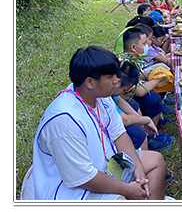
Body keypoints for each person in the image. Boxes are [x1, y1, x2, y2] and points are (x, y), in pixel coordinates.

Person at [27, 46, 166, 200]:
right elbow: (85, 177)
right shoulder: (64, 121)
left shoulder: (102, 97)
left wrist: (138, 168)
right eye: (110, 77)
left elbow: (119, 133)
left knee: (156, 161)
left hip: (105, 167)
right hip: (74, 189)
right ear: (90, 82)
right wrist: (126, 190)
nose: (117, 80)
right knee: (122, 202)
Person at [112, 61, 173, 152]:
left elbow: (120, 101)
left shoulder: (113, 90)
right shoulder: (104, 95)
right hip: (110, 128)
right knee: (136, 131)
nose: (122, 93)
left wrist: (141, 121)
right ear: (116, 82)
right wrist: (145, 120)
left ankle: (151, 136)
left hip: (122, 116)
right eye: (124, 90)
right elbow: (125, 120)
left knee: (135, 104)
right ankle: (144, 154)